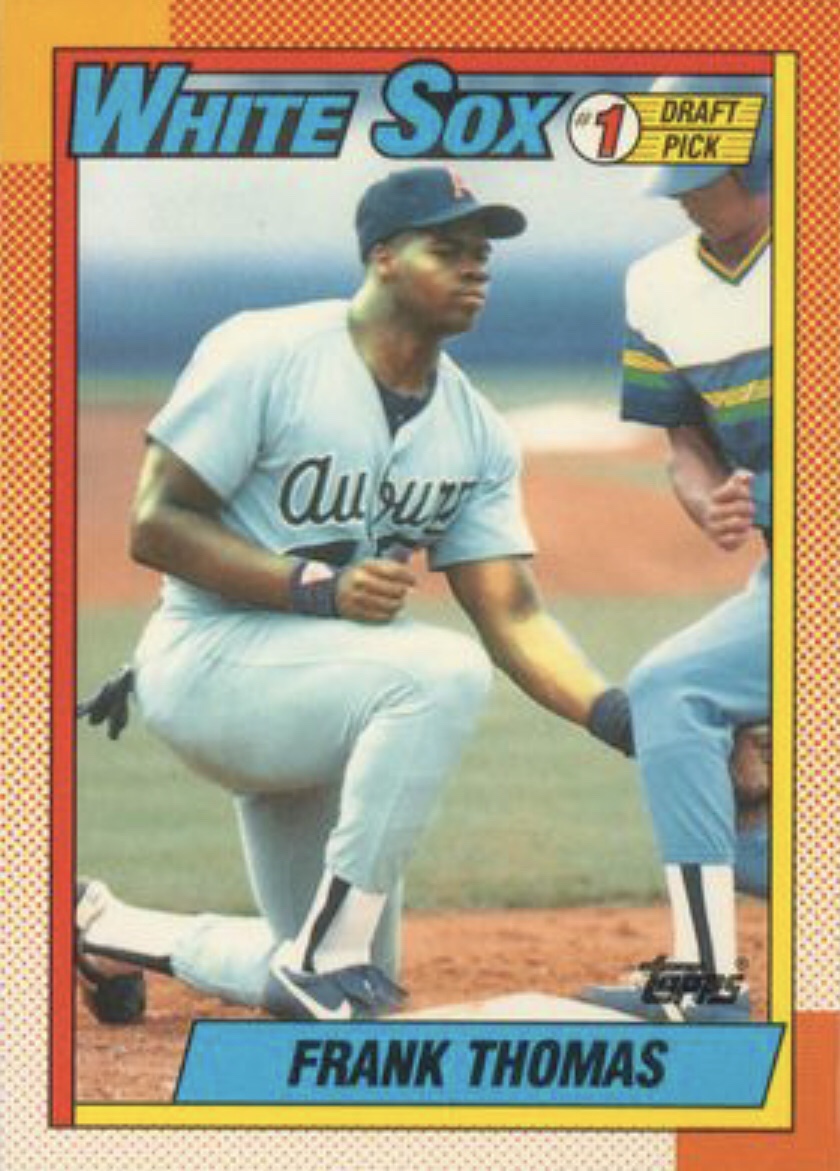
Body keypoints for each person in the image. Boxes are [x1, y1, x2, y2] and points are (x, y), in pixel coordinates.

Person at [77, 166, 634, 1024]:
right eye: (447, 248)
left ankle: (107, 924)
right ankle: (323, 954)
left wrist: (626, 719)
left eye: (482, 255)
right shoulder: (268, 351)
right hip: (208, 660)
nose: (475, 267)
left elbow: (514, 614)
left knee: (352, 982)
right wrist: (314, 586)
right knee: (437, 670)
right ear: (382, 257)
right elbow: (156, 522)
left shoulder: (475, 431)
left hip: (319, 697)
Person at [583, 76, 773, 1023]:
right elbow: (685, 443)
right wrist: (707, 501)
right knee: (701, 746)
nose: (684, 196)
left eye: (703, 176)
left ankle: (703, 979)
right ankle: (706, 970)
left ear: (763, 162)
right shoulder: (656, 284)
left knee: (675, 689)